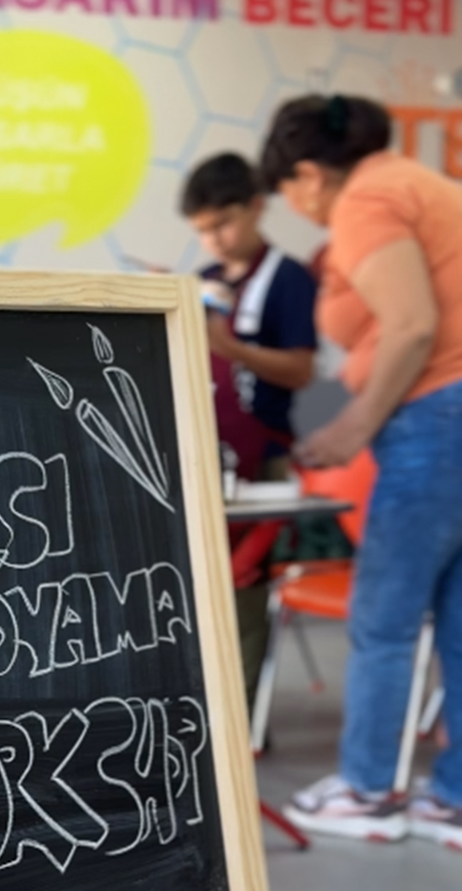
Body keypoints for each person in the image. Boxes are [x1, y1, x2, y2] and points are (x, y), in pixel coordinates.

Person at [259, 93, 462, 848]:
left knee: (385, 616)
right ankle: (454, 798)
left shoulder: (366, 200)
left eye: (288, 191)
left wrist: (352, 425)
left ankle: (369, 789)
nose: (297, 207)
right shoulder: (422, 184)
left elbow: (411, 325)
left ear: (309, 174)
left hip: (435, 418)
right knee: (458, 619)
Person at [180, 153, 317, 708]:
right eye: (202, 230)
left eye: (223, 224)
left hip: (264, 460)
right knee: (196, 584)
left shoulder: (289, 278)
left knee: (242, 582)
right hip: (203, 456)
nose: (213, 240)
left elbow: (301, 369)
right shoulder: (203, 281)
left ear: (257, 206)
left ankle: (240, 717)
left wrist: (232, 348)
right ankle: (201, 708)